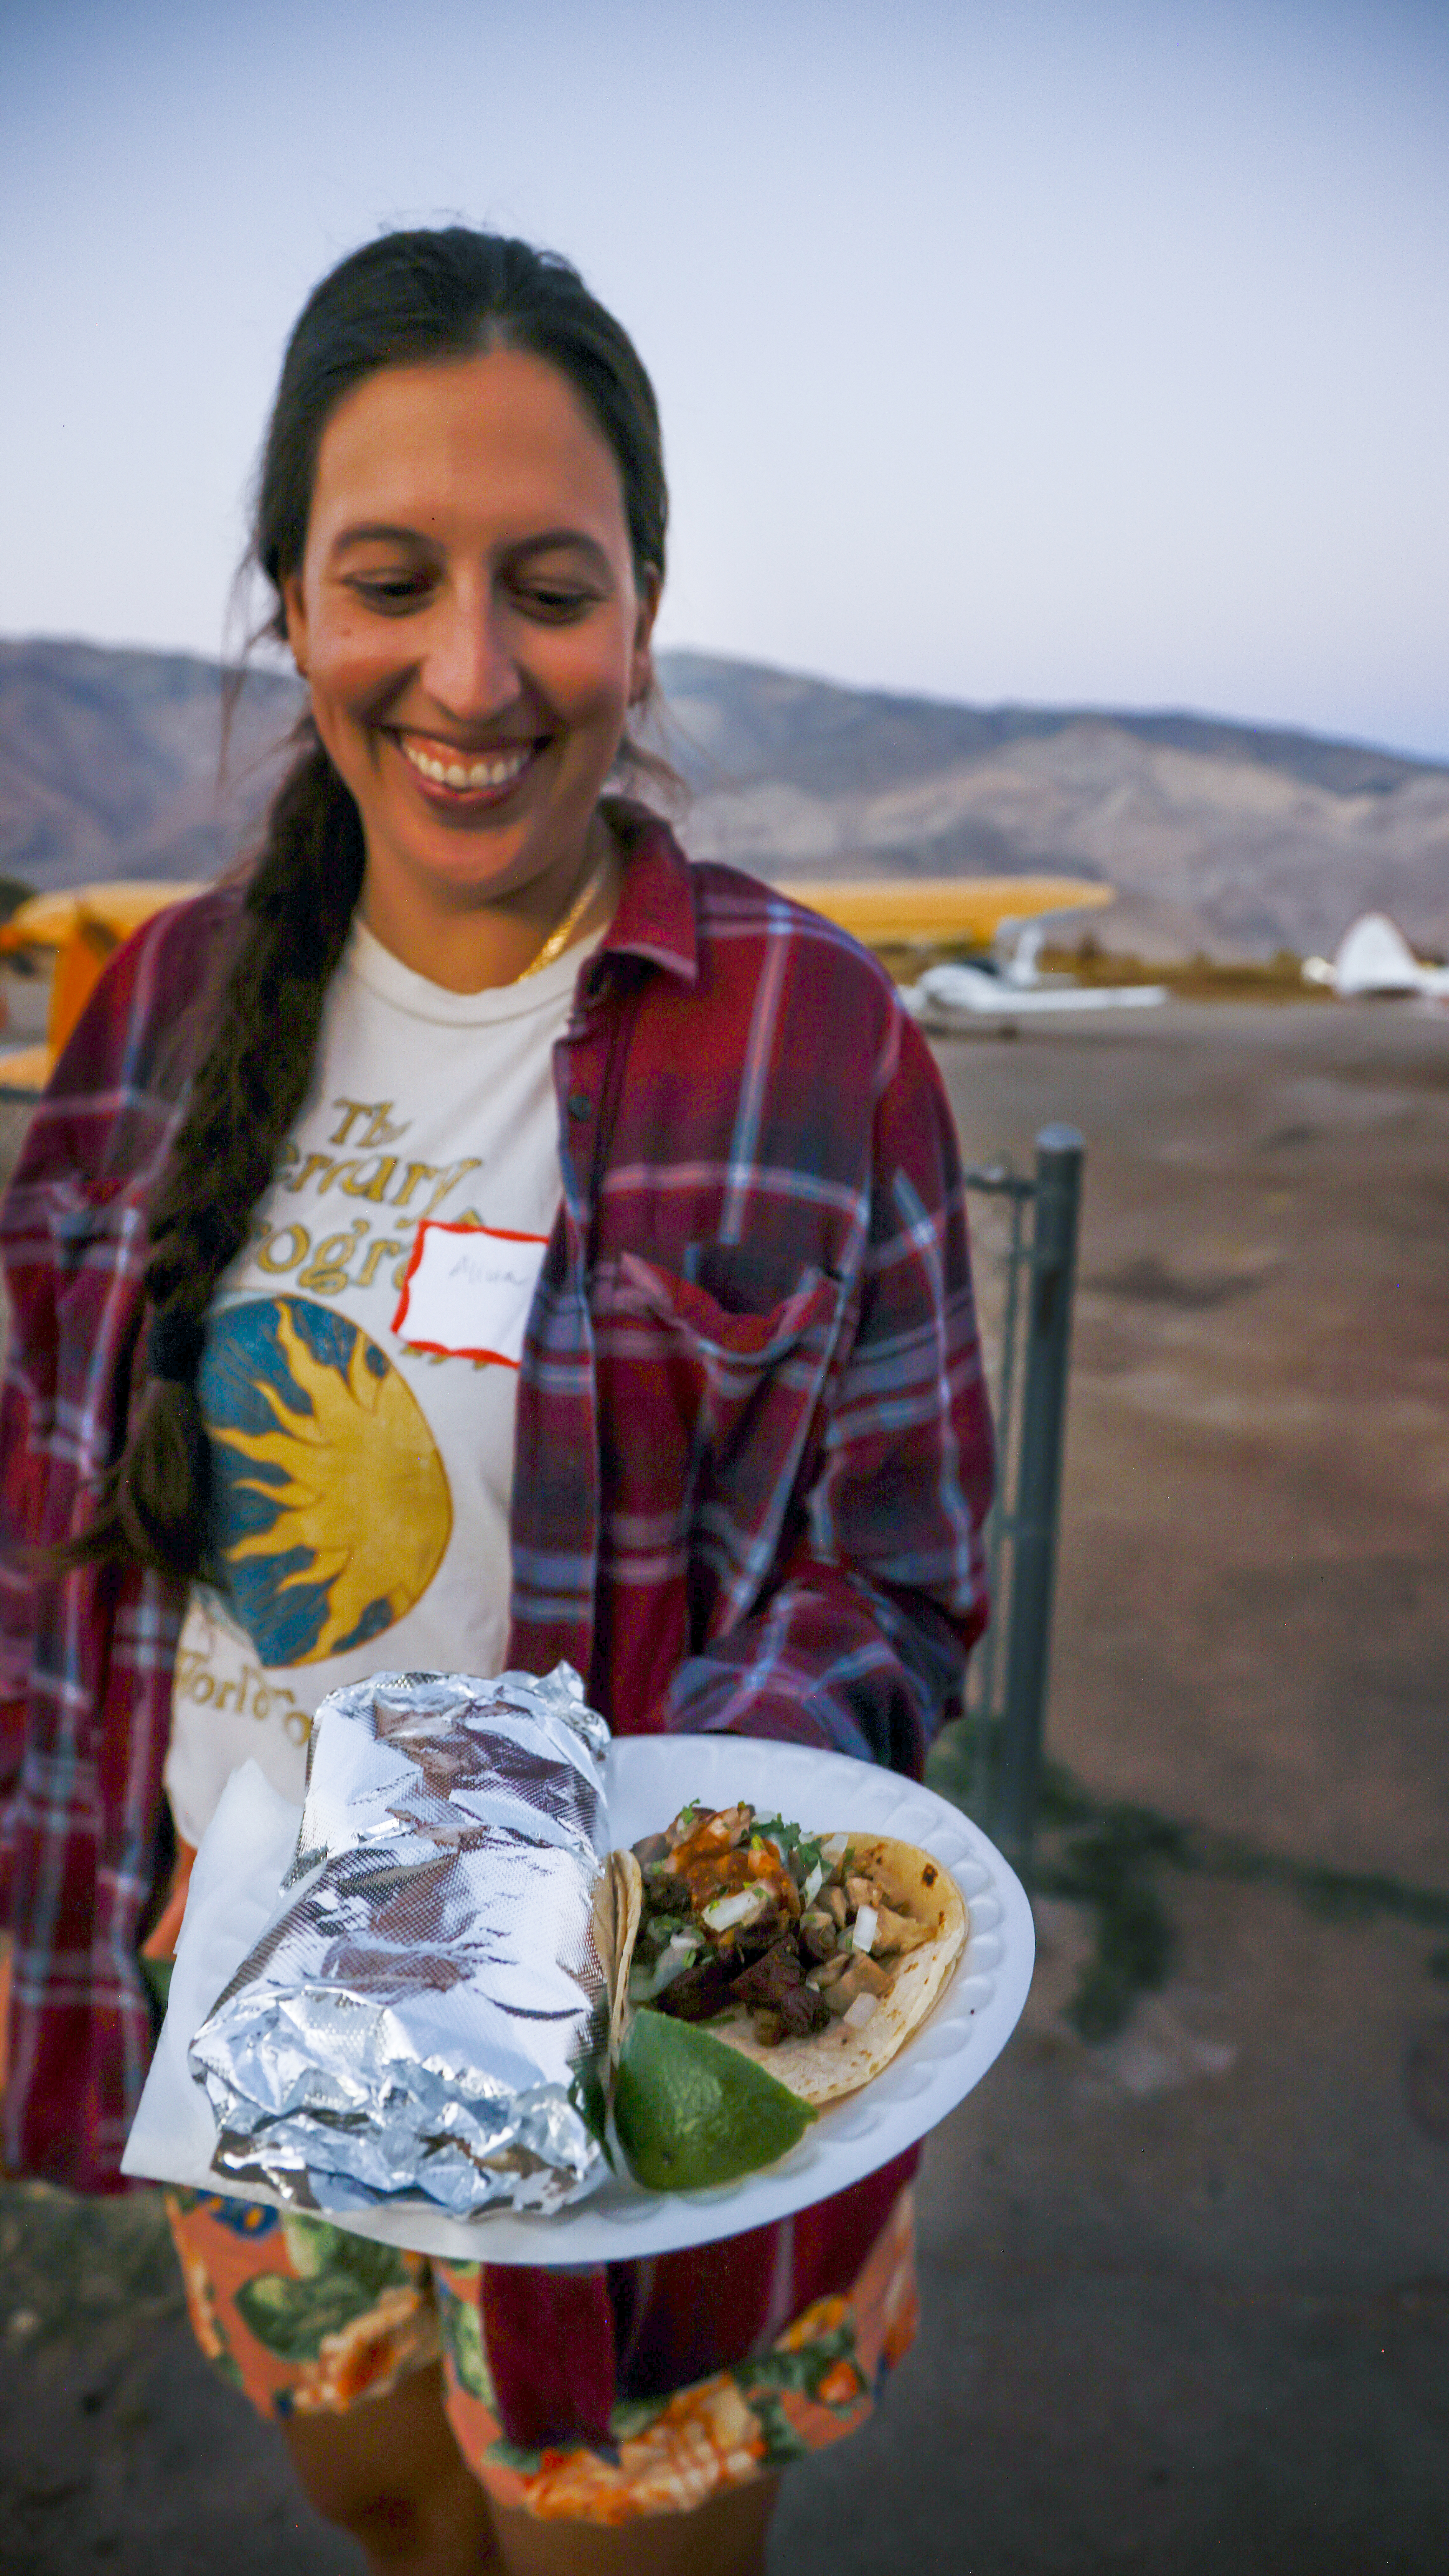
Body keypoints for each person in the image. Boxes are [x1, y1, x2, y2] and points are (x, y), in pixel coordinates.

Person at [0, 229, 993, 2575]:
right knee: (389, 2516)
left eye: (549, 585)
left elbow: (899, 1574)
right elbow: (59, 1513)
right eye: (390, 580)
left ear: (640, 612)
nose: (471, 672)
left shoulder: (810, 1042)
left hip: (619, 2076)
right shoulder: (156, 1004)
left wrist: (623, 1875)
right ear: (290, 606)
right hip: (228, 2010)